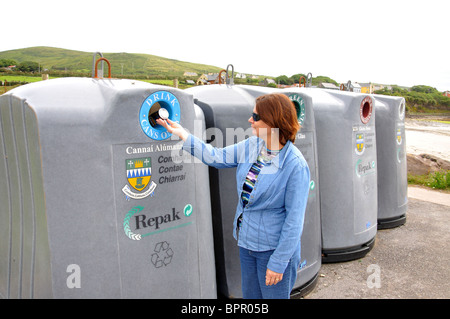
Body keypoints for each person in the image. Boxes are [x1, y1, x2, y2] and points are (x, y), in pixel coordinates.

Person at [157, 93, 310, 299]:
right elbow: (216, 156)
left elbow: (294, 222)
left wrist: (279, 262)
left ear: (273, 122)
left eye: (255, 117)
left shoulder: (295, 165)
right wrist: (184, 134)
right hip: (246, 243)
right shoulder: (252, 145)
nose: (250, 120)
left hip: (272, 251)